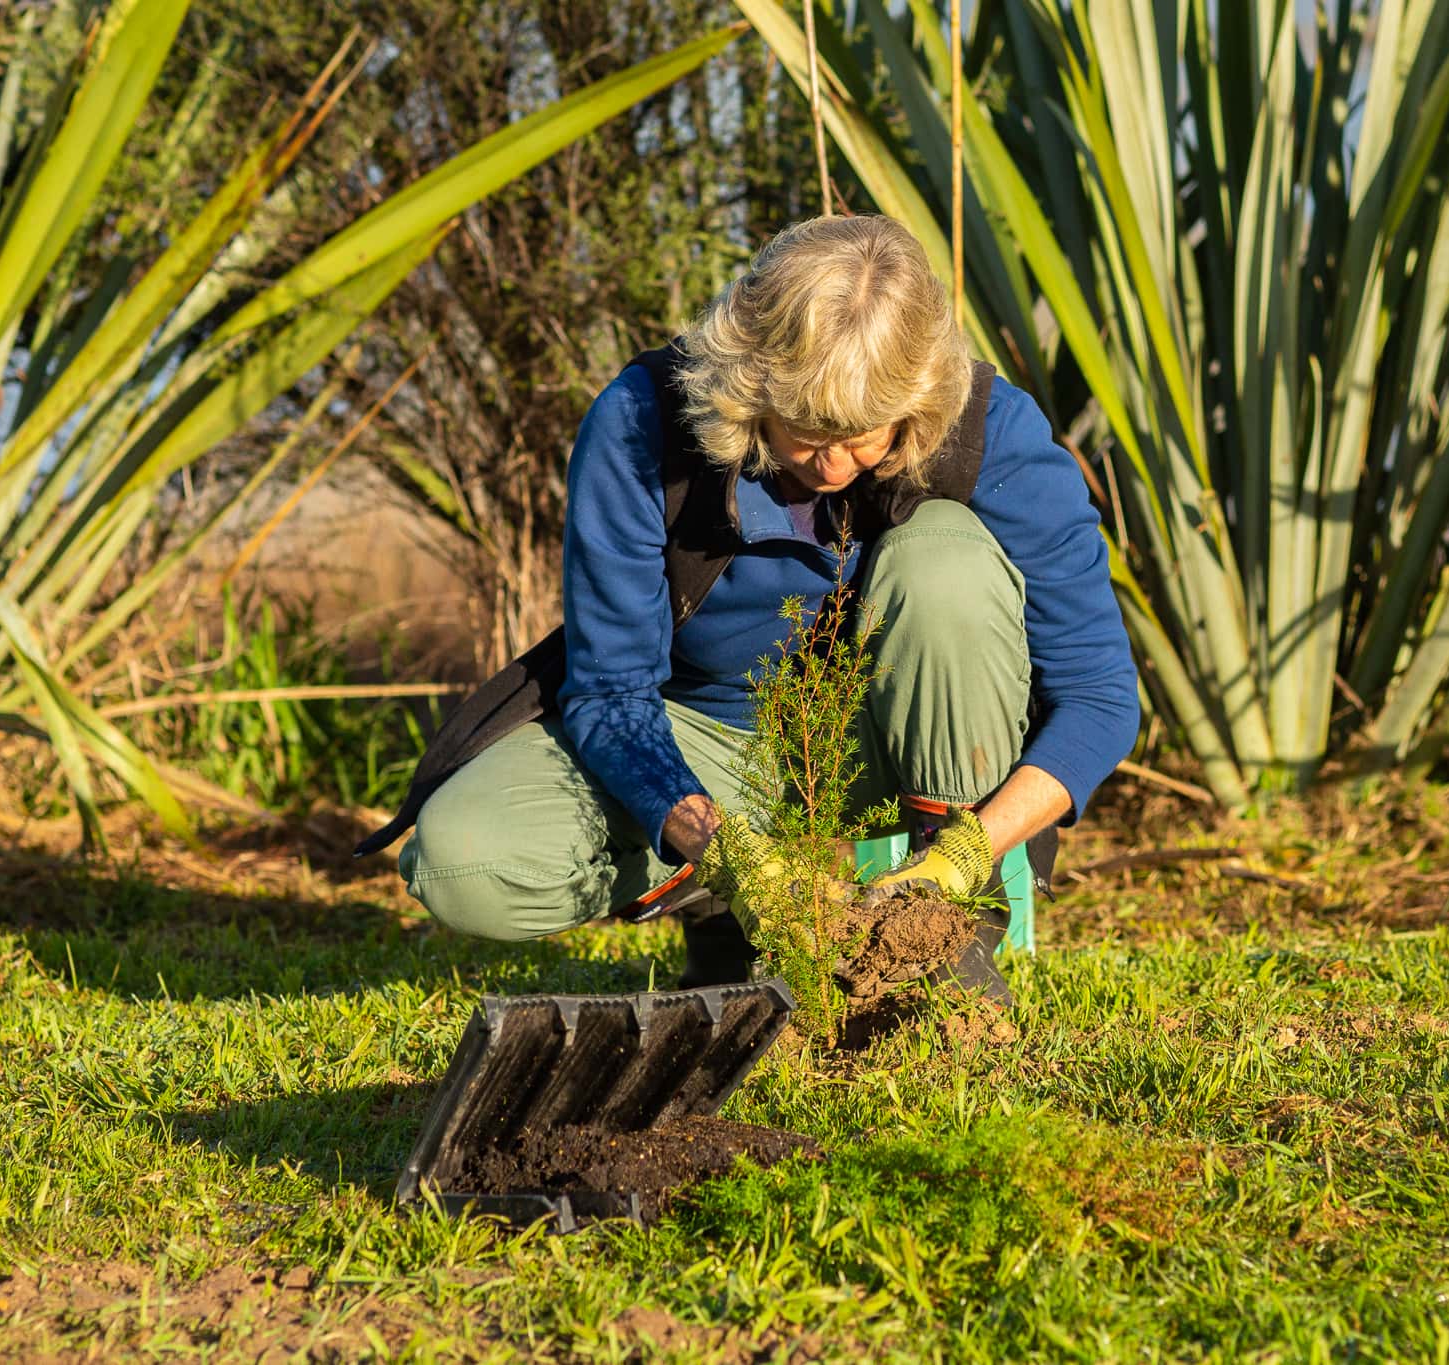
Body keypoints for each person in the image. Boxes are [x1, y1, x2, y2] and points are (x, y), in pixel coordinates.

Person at [379, 215, 1140, 993]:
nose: (834, 461)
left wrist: (967, 851)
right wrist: (716, 842)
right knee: (460, 856)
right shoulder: (641, 426)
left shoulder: (990, 429)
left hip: (899, 745)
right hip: (706, 740)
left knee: (943, 556)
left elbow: (1101, 696)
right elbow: (611, 691)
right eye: (809, 425)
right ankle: (728, 912)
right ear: (753, 378)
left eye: (866, 433)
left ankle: (945, 939)